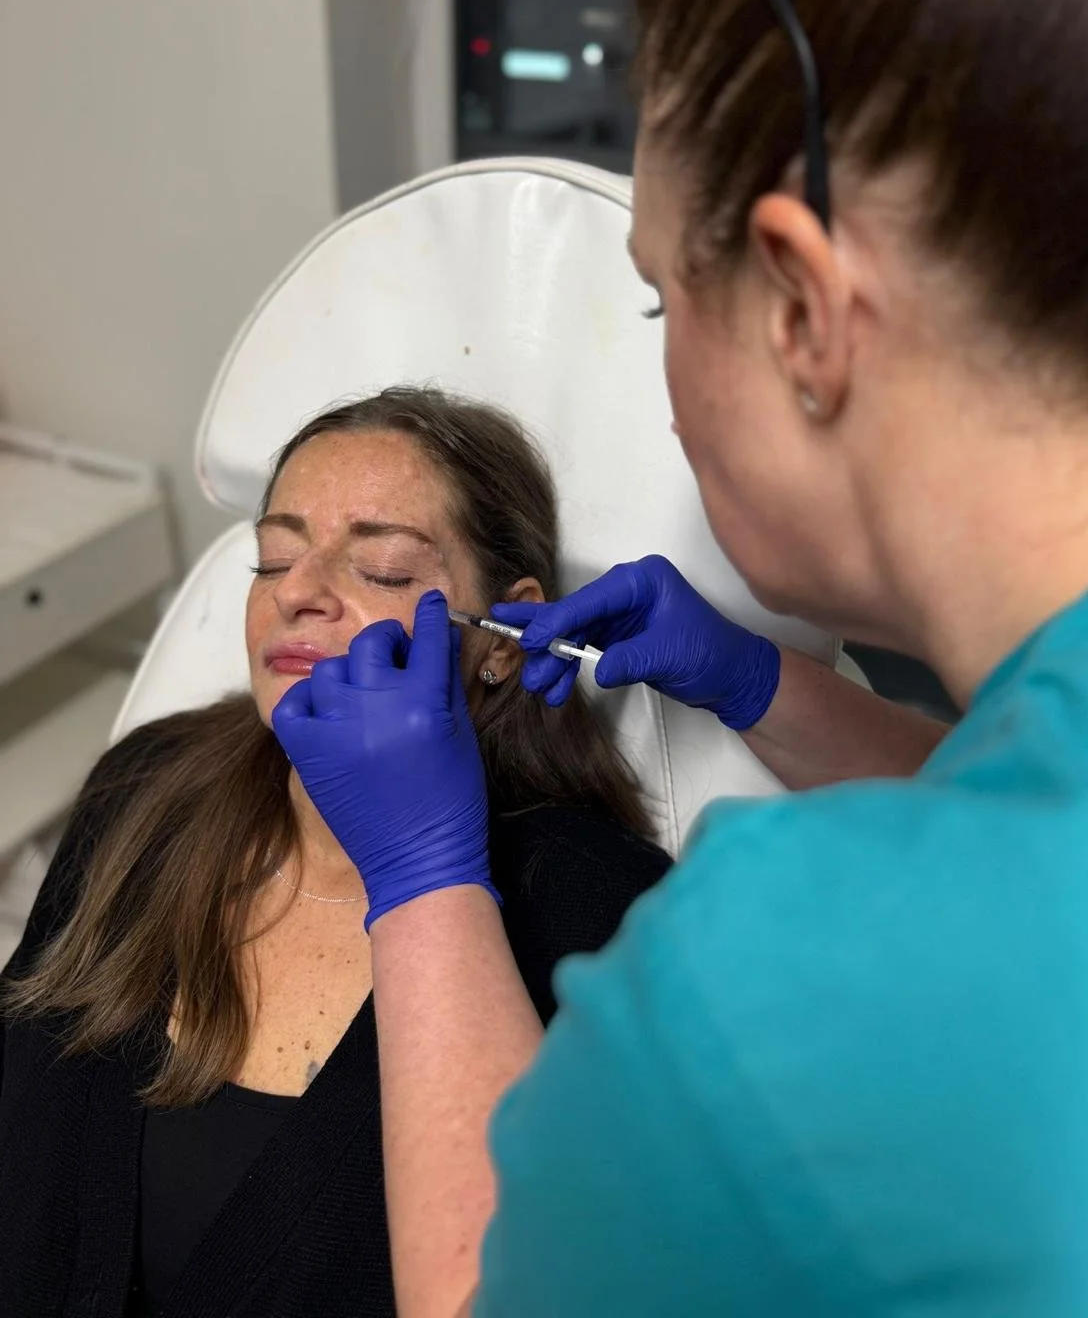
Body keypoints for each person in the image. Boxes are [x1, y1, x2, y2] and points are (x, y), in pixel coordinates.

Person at [268, 0, 1088, 1313]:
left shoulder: (773, 1004)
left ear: (802, 315)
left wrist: (426, 883)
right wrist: (766, 682)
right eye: (283, 554)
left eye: (658, 301)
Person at [0, 387, 675, 1318]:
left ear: (503, 642)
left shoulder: (606, 918)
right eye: (274, 556)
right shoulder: (143, 792)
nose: (297, 591)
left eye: (386, 570)